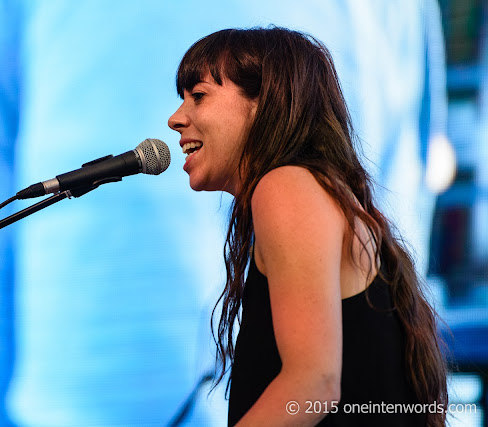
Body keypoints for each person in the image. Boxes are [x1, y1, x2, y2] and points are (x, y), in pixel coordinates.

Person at [168, 27, 448, 426]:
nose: (176, 119)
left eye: (198, 96)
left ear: (264, 103)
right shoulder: (315, 191)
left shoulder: (285, 186)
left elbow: (313, 384)